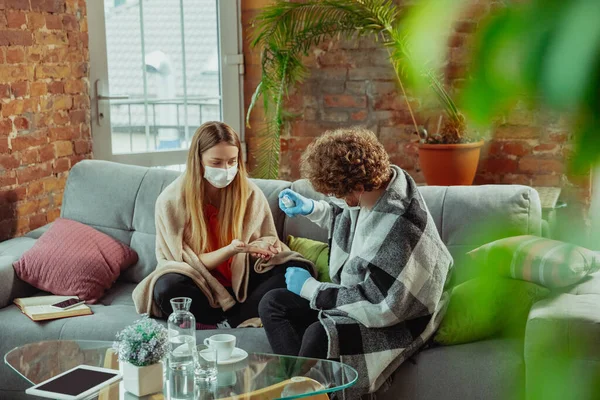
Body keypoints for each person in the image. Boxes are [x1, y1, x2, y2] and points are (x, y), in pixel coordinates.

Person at [259, 127, 453, 397]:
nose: (335, 200)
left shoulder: (399, 227)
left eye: (337, 194)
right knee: (273, 303)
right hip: (368, 297)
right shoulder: (376, 187)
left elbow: (381, 303)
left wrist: (311, 289)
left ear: (358, 187)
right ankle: (306, 394)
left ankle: (294, 393)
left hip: (403, 315)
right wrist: (312, 209)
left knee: (320, 334)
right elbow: (355, 220)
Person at [133, 121, 314, 329]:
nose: (226, 169)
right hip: (201, 285)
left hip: (244, 286)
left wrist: (262, 249)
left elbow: (266, 239)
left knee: (294, 268)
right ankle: (232, 318)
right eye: (216, 162)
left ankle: (230, 321)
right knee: (166, 287)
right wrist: (230, 250)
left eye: (232, 161)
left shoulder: (249, 193)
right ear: (198, 160)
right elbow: (183, 262)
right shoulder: (171, 201)